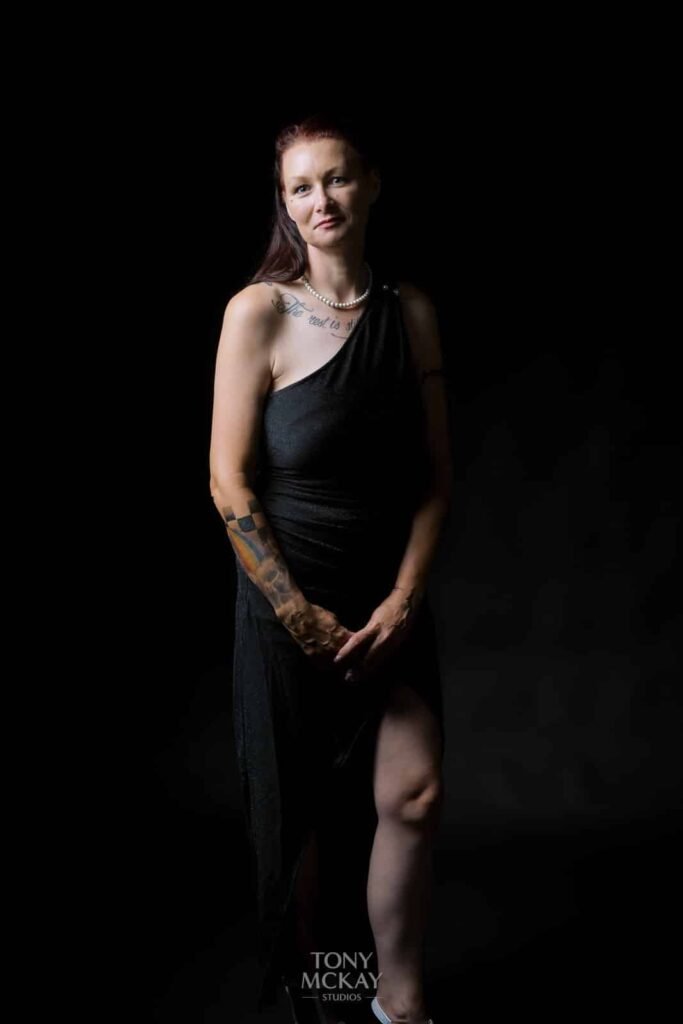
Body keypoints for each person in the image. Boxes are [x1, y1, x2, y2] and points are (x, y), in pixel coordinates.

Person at [209, 112, 453, 1024]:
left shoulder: (410, 313)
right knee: (306, 828)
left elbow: (435, 479)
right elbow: (228, 482)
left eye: (338, 179)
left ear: (371, 185)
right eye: (301, 187)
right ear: (284, 203)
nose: (322, 201)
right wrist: (297, 613)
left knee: (414, 794)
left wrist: (404, 598)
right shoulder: (259, 312)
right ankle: (325, 1007)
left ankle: (400, 999)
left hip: (387, 599)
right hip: (291, 602)